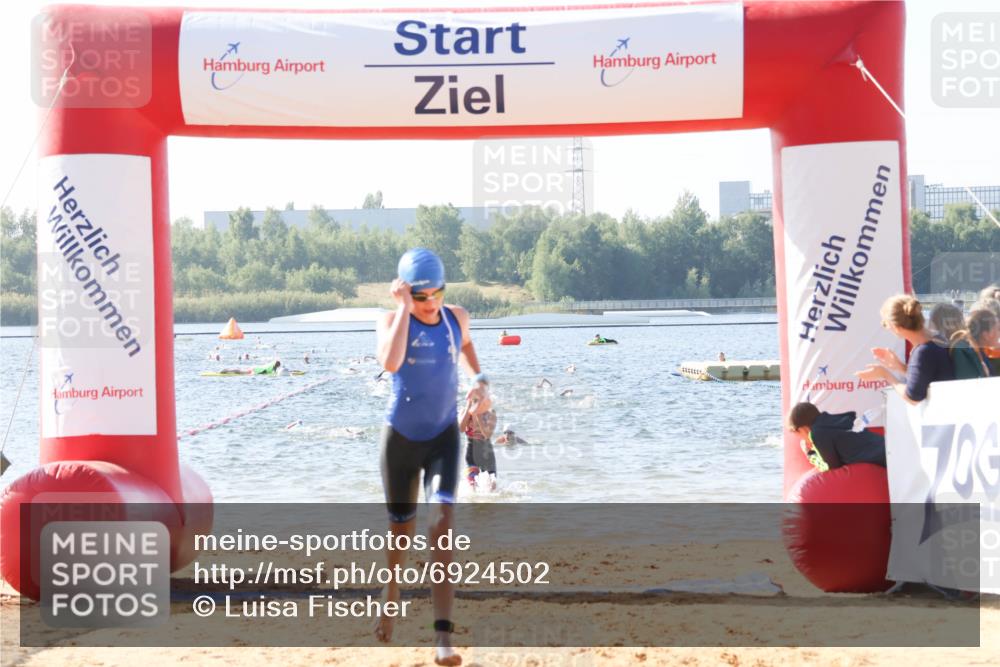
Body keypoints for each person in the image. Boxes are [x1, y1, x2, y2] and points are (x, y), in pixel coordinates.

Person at [375, 248, 489, 666]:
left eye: (436, 294)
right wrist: (404, 310)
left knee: (441, 529)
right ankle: (391, 589)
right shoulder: (390, 321)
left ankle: (443, 639)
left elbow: (468, 347)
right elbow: (391, 362)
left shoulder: (456, 318)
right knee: (400, 534)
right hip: (400, 441)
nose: (430, 303)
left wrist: (480, 381)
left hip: (443, 437)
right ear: (405, 293)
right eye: (420, 297)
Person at [855, 294, 955, 404]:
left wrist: (885, 375)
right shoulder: (938, 340)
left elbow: (913, 398)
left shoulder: (923, 352)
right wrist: (899, 366)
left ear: (896, 327)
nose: (887, 328)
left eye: (885, 324)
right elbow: (922, 378)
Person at [787, 401, 886, 470]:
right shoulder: (834, 421)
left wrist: (810, 454)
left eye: (800, 436)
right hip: (887, 448)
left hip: (884, 460)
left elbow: (830, 467)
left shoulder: (817, 433)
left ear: (802, 429)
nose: (804, 440)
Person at [459, 398, 498, 490]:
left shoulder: (490, 413)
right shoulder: (464, 411)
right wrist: (468, 408)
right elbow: (461, 429)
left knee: (492, 486)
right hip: (470, 452)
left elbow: (487, 434)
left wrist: (478, 415)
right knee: (472, 485)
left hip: (487, 453)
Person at [950, 309, 999, 379]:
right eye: (998, 329)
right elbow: (968, 383)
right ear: (985, 335)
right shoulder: (963, 351)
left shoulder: (979, 348)